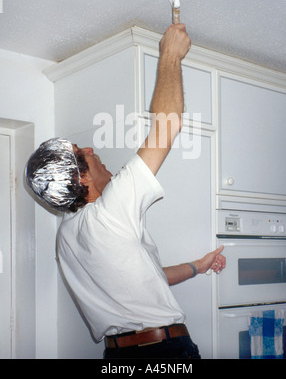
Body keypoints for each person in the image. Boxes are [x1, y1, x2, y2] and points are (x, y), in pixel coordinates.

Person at [25, 23, 226, 359]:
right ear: (83, 180)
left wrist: (198, 266)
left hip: (119, 357)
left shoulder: (67, 236)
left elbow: (147, 280)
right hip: (164, 353)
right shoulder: (112, 209)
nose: (91, 149)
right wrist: (169, 55)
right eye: (81, 152)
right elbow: (168, 124)